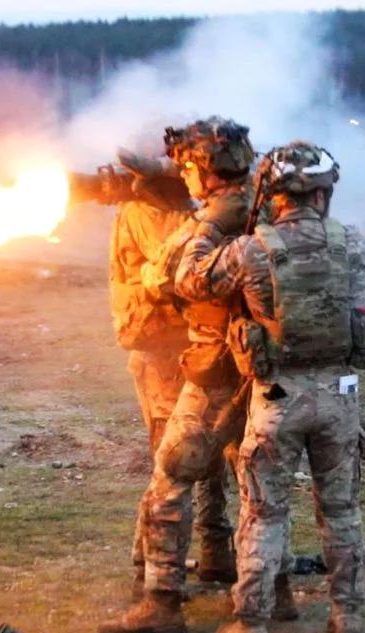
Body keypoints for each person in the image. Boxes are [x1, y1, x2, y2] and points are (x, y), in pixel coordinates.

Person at [173, 141, 365, 633]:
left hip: (276, 399)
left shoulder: (251, 250)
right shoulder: (352, 243)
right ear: (325, 190)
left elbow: (188, 279)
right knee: (343, 510)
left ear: (273, 191)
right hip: (339, 397)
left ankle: (252, 625)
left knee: (264, 514)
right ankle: (347, 615)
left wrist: (208, 224)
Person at [98, 117, 298, 633]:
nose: (183, 176)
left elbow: (165, 276)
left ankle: (162, 602)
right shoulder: (272, 204)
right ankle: (275, 593)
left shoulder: (214, 216)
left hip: (216, 369)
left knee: (170, 478)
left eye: (188, 167)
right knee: (258, 486)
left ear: (205, 172)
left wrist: (198, 227)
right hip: (265, 370)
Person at [71, 153, 236, 600]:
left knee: (215, 448)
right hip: (162, 346)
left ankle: (216, 548)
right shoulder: (149, 211)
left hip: (197, 346)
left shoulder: (180, 209)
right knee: (173, 456)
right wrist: (213, 221)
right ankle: (151, 561)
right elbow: (170, 275)